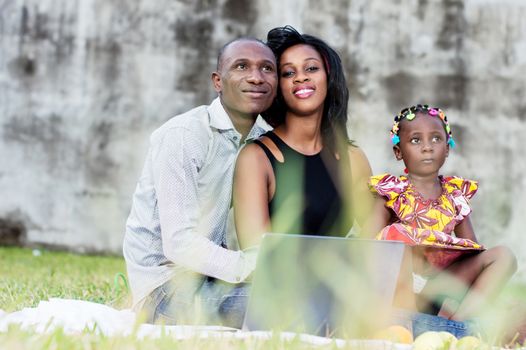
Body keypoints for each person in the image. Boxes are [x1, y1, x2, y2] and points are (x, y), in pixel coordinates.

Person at [122, 37, 278, 327]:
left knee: (307, 299)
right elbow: (178, 243)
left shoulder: (264, 139)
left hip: (212, 279)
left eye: (267, 68)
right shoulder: (184, 135)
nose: (256, 77)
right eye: (241, 66)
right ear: (218, 81)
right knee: (284, 308)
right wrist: (254, 265)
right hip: (164, 288)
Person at [365, 104, 517, 323]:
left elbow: (471, 249)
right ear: (398, 151)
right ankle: (404, 321)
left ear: (447, 148)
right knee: (395, 236)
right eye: (416, 140)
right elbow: (368, 245)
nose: (427, 147)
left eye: (436, 139)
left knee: (504, 256)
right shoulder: (391, 191)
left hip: (439, 288)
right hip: (397, 289)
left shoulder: (455, 196)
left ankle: (457, 324)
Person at [233, 25, 372, 249]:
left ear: (329, 77)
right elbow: (256, 255)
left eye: (311, 68)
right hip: (280, 282)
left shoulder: (353, 158)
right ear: (278, 86)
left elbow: (376, 242)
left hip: (342, 281)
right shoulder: (256, 158)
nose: (301, 78)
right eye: (288, 73)